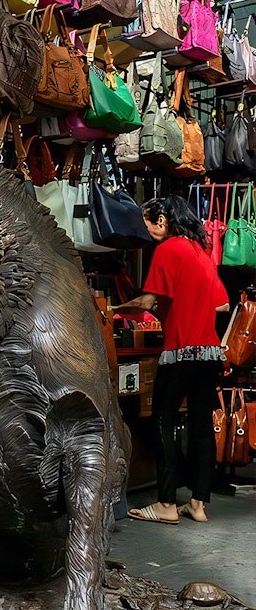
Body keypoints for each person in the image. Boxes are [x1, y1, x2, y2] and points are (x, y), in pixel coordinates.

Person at [116, 195, 229, 525]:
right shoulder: (201, 252)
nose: (146, 229)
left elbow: (148, 300)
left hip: (180, 350)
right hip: (209, 352)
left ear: (162, 221)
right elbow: (221, 305)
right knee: (201, 426)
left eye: (147, 222)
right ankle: (198, 504)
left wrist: (115, 310)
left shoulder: (167, 250)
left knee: (163, 422)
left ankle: (166, 504)